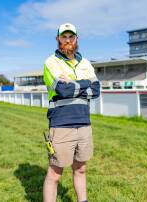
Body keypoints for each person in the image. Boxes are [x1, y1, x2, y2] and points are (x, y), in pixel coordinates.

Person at [42, 23, 100, 202]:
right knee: (55, 174)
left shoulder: (85, 63)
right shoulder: (51, 62)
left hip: (83, 123)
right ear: (58, 39)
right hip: (61, 124)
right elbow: (63, 91)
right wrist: (85, 84)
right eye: (64, 36)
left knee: (81, 169)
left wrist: (75, 84)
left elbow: (96, 90)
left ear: (76, 39)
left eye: (71, 36)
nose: (68, 40)